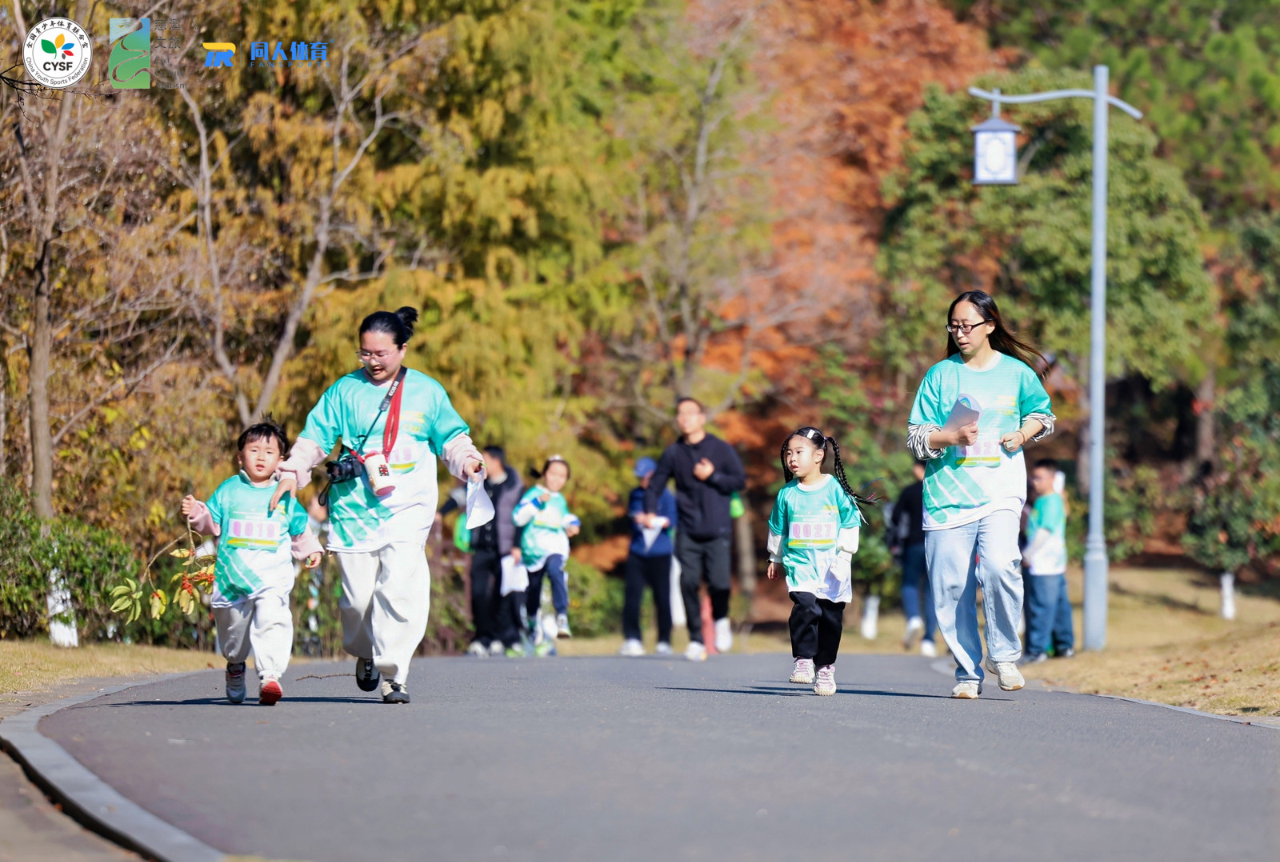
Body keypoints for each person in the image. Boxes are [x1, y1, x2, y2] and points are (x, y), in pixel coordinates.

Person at [271, 307, 485, 704]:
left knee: (401, 586)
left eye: (381, 353)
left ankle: (393, 674)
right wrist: (290, 472)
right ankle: (366, 650)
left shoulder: (427, 392)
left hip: (408, 506)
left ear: (402, 349)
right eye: (365, 353)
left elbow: (452, 438)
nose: (372, 361)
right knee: (356, 600)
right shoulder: (344, 391)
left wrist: (469, 461)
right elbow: (314, 438)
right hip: (354, 510)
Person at [906, 289, 1055, 699]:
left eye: (967, 325)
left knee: (1000, 566)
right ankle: (967, 672)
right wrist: (950, 437)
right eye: (953, 326)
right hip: (946, 497)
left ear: (989, 325)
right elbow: (916, 437)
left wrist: (1022, 433)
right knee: (951, 586)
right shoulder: (940, 375)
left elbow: (1042, 415)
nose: (959, 333)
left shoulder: (1016, 373)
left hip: (1001, 490)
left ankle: (1003, 655)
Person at [183, 419, 323, 705]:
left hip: (272, 578)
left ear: (281, 460)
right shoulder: (229, 490)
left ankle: (270, 676)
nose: (261, 457)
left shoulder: (285, 494)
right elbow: (211, 523)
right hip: (232, 580)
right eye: (254, 450)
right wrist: (196, 511)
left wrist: (311, 549)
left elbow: (300, 529)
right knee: (233, 636)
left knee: (274, 618)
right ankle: (235, 665)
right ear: (240, 457)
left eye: (269, 452)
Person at [642, 398, 746, 661]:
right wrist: (650, 511)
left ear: (702, 417)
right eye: (680, 414)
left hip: (718, 529)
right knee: (688, 582)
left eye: (690, 413)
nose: (684, 418)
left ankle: (721, 620)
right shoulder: (673, 453)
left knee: (719, 583)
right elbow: (655, 485)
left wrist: (713, 476)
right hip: (687, 530)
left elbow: (739, 480)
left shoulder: (720, 449)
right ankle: (696, 639)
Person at [766, 427, 866, 696]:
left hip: (832, 567)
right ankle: (803, 659)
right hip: (800, 565)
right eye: (788, 453)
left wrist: (845, 555)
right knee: (805, 606)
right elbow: (777, 528)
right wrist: (775, 557)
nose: (792, 459)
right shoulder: (787, 494)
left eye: (799, 452)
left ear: (819, 456)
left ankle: (825, 669)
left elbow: (851, 522)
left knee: (830, 618)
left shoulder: (835, 489)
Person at [441, 446, 525, 657]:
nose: (480, 464)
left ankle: (501, 637)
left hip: (505, 549)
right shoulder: (478, 482)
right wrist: (441, 513)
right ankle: (482, 638)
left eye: (484, 459)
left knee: (502, 595)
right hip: (480, 547)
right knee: (478, 593)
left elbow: (521, 518)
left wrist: (517, 545)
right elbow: (459, 497)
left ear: (496, 461)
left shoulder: (515, 486)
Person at [514, 456, 580, 639]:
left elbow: (564, 517)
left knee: (555, 571)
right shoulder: (533, 493)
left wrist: (573, 525)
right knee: (534, 588)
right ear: (544, 474)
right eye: (553, 474)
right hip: (533, 551)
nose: (557, 479)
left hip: (555, 547)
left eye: (562, 476)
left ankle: (562, 617)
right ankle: (532, 619)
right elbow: (518, 518)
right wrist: (537, 502)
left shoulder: (560, 499)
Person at [619, 457, 677, 657]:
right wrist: (640, 519)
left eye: (644, 477)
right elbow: (632, 516)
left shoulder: (666, 495)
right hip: (638, 552)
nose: (642, 481)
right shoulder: (635, 494)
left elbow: (672, 520)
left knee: (662, 597)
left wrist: (655, 520)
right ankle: (632, 638)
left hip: (661, 553)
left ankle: (664, 640)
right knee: (632, 597)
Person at [1021, 458, 1075, 663]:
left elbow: (1045, 529)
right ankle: (1064, 647)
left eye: (1039, 478)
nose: (1035, 482)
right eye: (1033, 478)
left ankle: (1038, 651)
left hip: (1044, 564)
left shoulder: (1050, 500)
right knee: (1060, 607)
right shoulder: (1047, 500)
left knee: (1041, 609)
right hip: (1053, 563)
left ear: (1052, 479)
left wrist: (1028, 553)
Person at [891, 460, 937, 657]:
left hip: (913, 544)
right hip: (935, 545)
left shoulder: (909, 491)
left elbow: (895, 518)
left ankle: (913, 618)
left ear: (919, 468)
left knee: (909, 584)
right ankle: (929, 640)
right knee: (931, 591)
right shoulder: (939, 490)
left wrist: (894, 544)